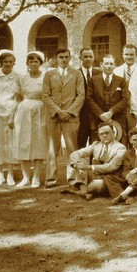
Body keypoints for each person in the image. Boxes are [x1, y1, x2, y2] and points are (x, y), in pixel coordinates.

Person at [42, 48, 85, 187]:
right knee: (51, 148)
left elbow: (81, 95)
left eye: (66, 57)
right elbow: (45, 95)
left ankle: (72, 178)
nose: (64, 59)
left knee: (72, 148)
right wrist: (58, 111)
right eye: (61, 57)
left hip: (70, 117)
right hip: (54, 116)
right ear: (56, 58)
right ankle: (50, 178)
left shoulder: (77, 74)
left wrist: (69, 111)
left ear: (70, 58)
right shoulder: (49, 75)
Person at [65, 121, 127, 200]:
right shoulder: (96, 145)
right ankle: (85, 192)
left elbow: (111, 167)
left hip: (109, 178)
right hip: (94, 176)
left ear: (113, 133)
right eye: (101, 134)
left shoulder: (121, 148)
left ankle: (82, 191)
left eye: (107, 133)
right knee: (81, 160)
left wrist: (88, 167)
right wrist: (77, 166)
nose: (104, 135)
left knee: (97, 185)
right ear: (98, 135)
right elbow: (75, 154)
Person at [13, 51, 48, 188]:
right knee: (24, 142)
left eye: (36, 61)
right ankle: (25, 177)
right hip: (24, 111)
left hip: (41, 110)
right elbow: (17, 98)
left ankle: (36, 178)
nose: (33, 63)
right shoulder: (21, 78)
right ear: (27, 63)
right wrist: (12, 116)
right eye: (31, 61)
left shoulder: (46, 77)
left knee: (39, 143)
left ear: (41, 63)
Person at [0, 49, 21, 186]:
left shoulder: (18, 77)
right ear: (0, 62)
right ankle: (0, 175)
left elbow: (19, 97)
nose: (8, 64)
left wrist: (13, 114)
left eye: (10, 62)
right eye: (5, 61)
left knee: (10, 144)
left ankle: (10, 175)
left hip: (12, 114)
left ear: (14, 63)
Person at [86, 54, 130, 143]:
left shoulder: (121, 81)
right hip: (97, 119)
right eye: (106, 63)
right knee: (97, 146)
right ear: (101, 64)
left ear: (115, 65)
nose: (109, 66)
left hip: (117, 119)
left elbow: (125, 99)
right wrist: (101, 114)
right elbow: (89, 99)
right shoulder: (92, 80)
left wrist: (111, 112)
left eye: (111, 64)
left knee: (118, 146)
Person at [114, 43, 137, 134]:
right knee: (121, 136)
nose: (129, 57)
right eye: (126, 54)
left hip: (135, 112)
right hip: (119, 111)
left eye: (131, 54)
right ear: (122, 54)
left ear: (136, 55)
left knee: (135, 135)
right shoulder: (116, 71)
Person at [77, 47, 97, 149]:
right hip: (81, 114)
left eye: (90, 56)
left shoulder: (100, 73)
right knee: (81, 142)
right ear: (80, 58)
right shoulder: (75, 73)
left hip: (96, 114)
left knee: (95, 144)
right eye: (85, 56)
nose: (88, 59)